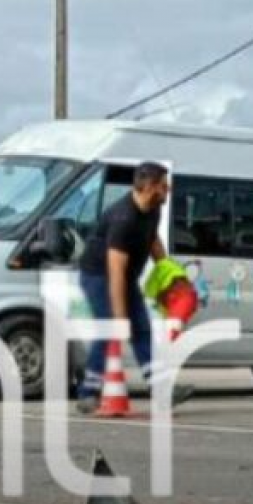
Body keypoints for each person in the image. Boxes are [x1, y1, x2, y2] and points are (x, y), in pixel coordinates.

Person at [76, 162, 194, 413]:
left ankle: (161, 392)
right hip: (98, 276)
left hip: (125, 276)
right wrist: (120, 316)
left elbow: (153, 239)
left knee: (141, 328)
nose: (168, 190)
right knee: (110, 327)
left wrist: (169, 273)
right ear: (149, 187)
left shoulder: (153, 208)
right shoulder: (124, 218)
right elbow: (115, 270)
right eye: (164, 186)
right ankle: (88, 394)